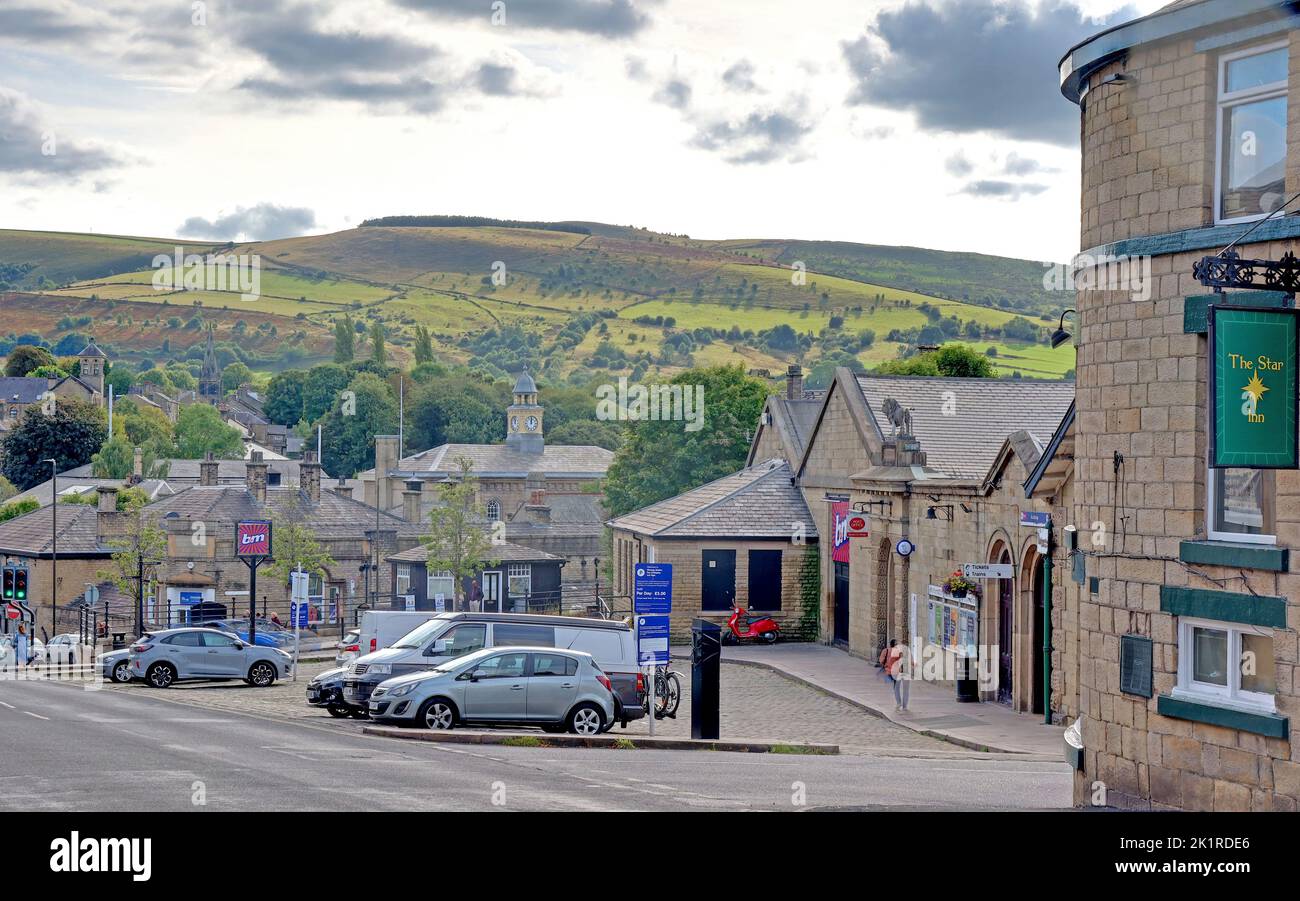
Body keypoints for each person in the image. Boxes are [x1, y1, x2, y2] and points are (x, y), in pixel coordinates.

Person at [884, 638, 909, 711]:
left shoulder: (888, 651)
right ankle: (902, 704)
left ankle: (899, 703)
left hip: (893, 671)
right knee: (899, 688)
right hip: (897, 671)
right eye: (896, 644)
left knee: (896, 687)